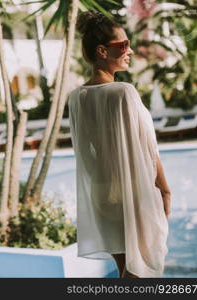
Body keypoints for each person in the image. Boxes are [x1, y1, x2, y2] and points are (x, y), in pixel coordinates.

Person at [68, 11, 171, 278]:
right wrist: (164, 189)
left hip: (102, 193)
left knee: (124, 269)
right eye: (123, 45)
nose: (130, 50)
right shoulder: (123, 92)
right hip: (131, 192)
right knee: (141, 272)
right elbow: (145, 148)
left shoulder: (77, 97)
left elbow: (87, 154)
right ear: (103, 51)